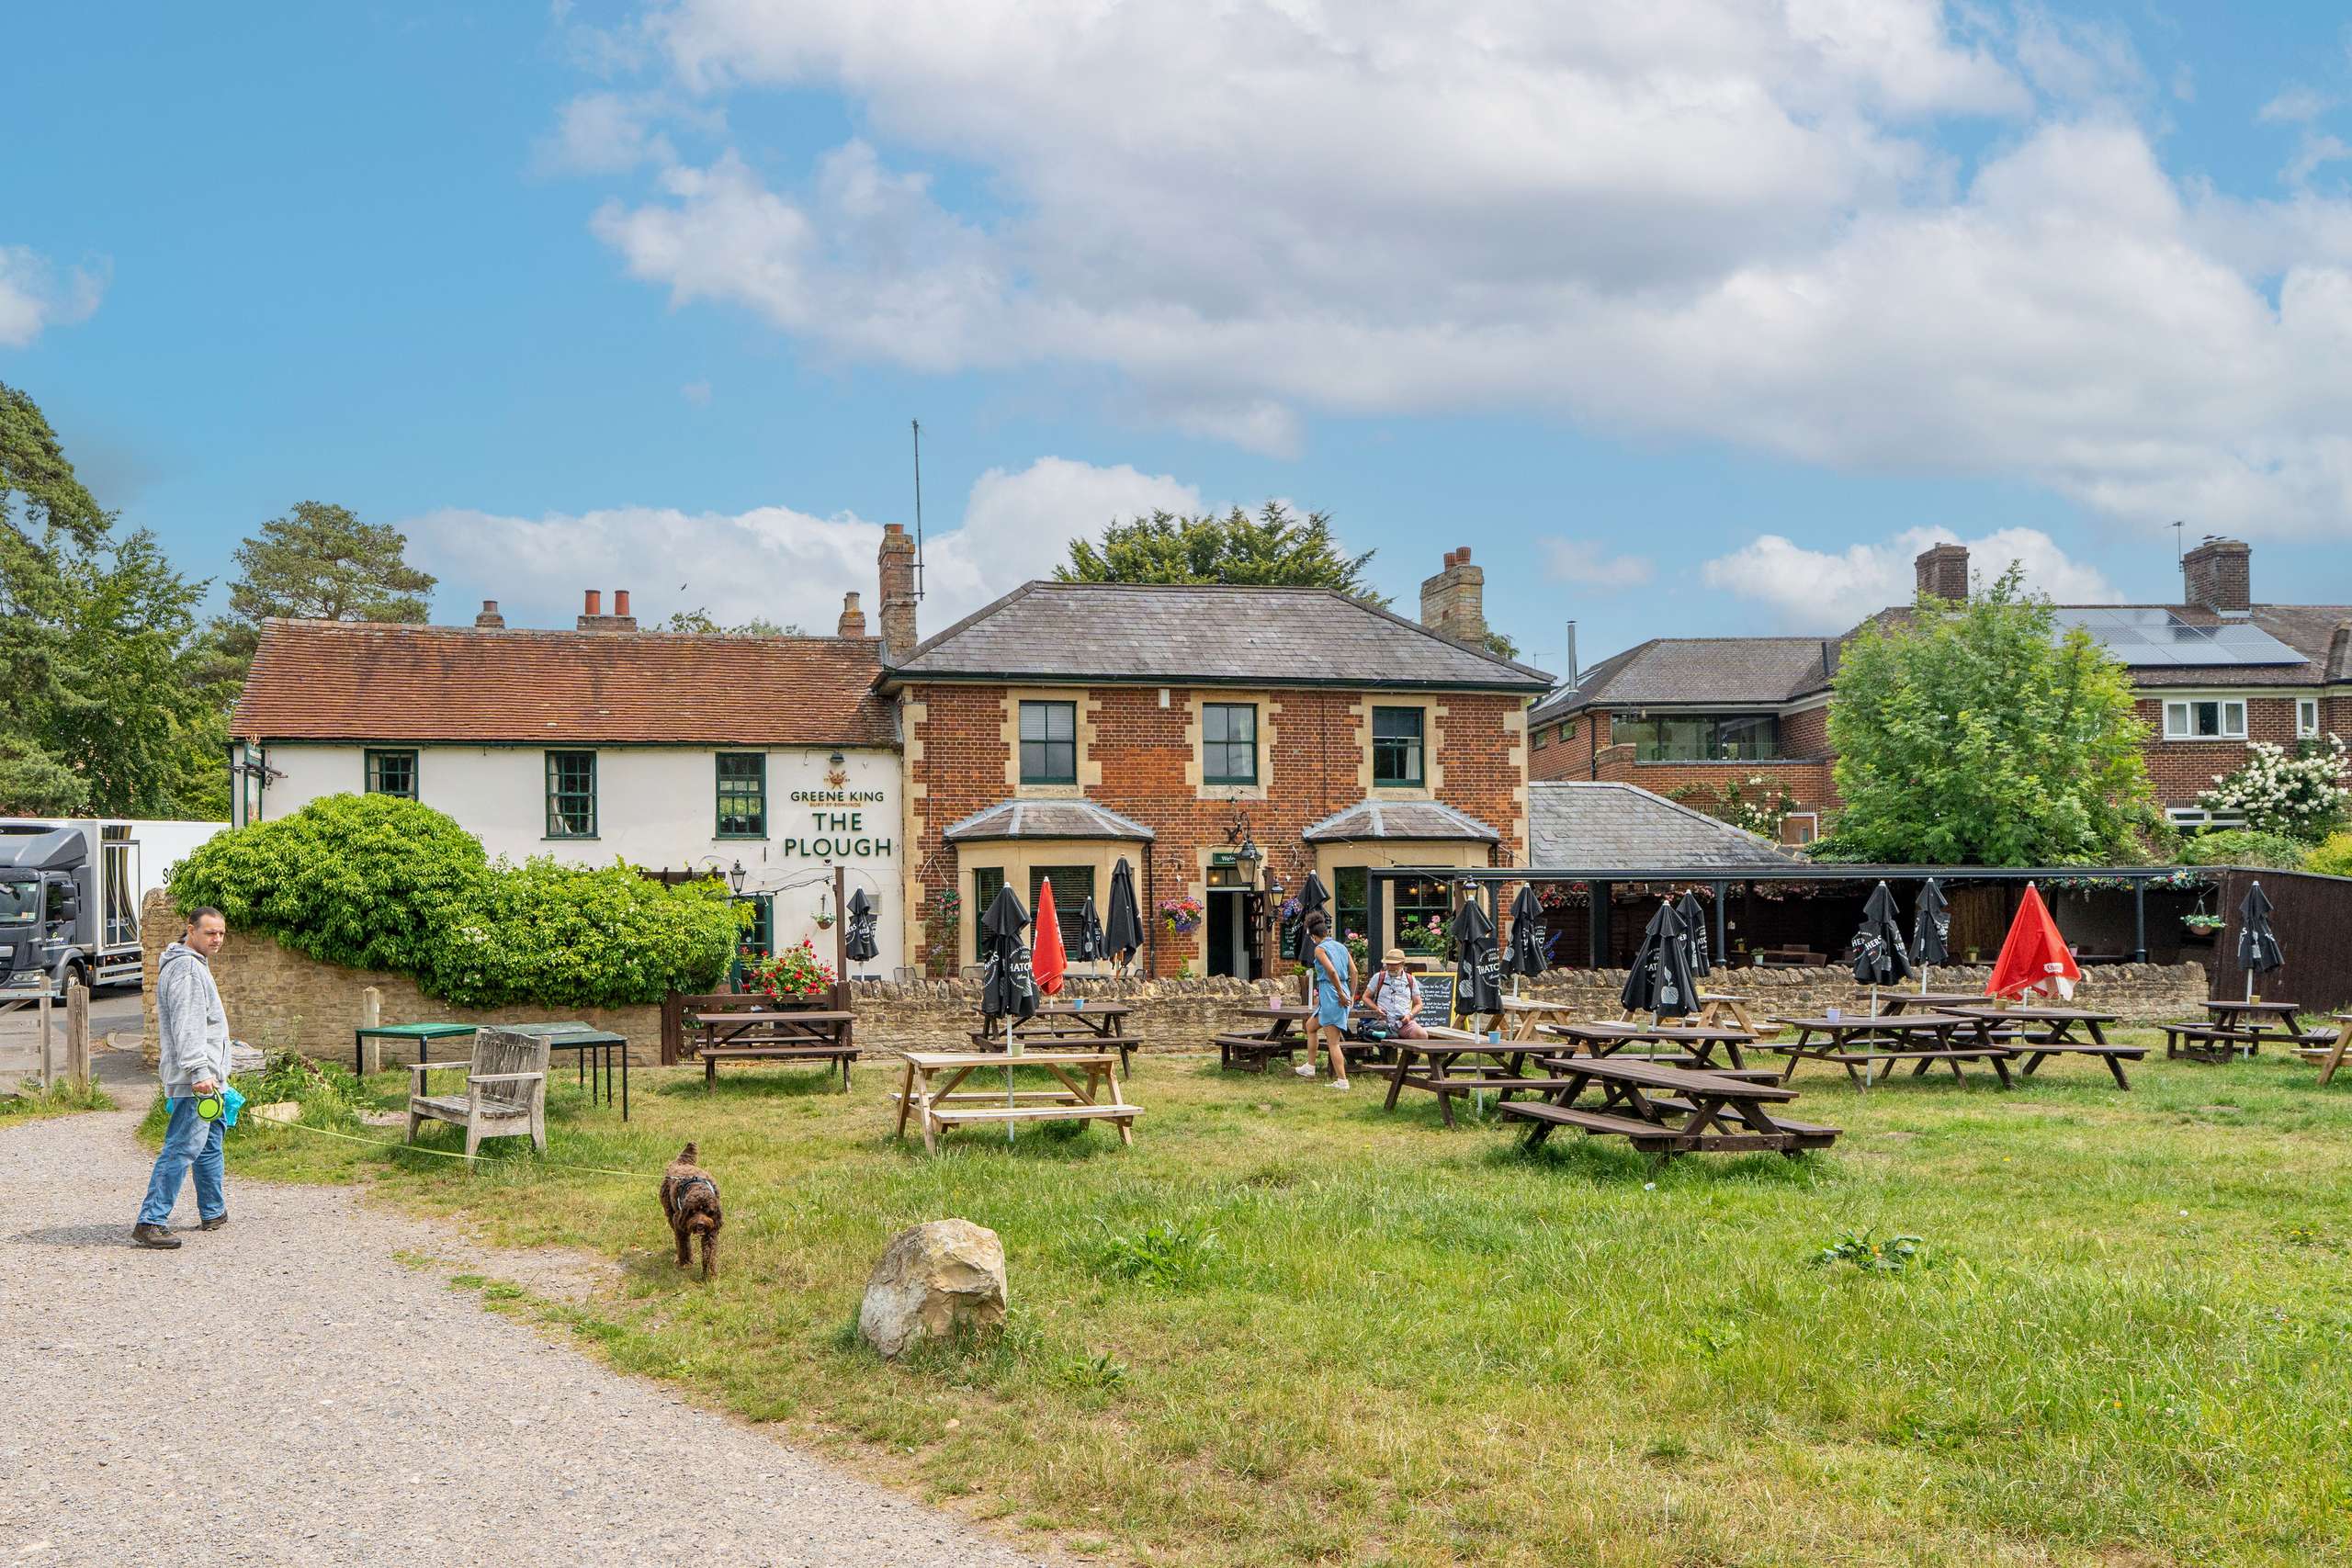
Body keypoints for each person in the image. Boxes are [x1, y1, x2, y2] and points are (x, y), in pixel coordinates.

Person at [134, 907, 233, 1249]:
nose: (217, 939)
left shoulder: (195, 965)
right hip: (196, 1079)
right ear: (190, 930)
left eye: (221, 933)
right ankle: (151, 1221)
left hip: (208, 1077)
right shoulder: (187, 969)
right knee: (182, 1147)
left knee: (209, 1142)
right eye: (210, 933)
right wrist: (200, 1072)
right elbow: (187, 1025)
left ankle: (213, 1211)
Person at [1296, 912, 1353, 1089]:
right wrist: (1351, 994)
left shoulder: (1320, 949)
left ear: (1314, 936)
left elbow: (1332, 971)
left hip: (1332, 993)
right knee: (1310, 1026)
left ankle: (1342, 1081)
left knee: (1333, 1042)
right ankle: (1310, 1066)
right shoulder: (1341, 947)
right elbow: (1355, 972)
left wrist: (1341, 994)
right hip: (1341, 990)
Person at [1358, 947, 1430, 1040]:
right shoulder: (1378, 977)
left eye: (1394, 965)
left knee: (1422, 1035)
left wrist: (1410, 1015)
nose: (1390, 967)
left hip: (1404, 1023)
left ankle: (1406, 1049)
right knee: (1383, 1036)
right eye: (1388, 964)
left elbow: (1419, 1004)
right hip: (1382, 1022)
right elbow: (1365, 997)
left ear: (1402, 964)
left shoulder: (1410, 979)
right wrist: (1376, 1008)